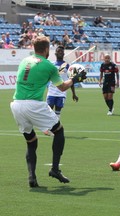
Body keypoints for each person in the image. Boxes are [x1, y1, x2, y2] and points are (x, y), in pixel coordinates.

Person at [10, 36, 87, 188]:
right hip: (34, 105)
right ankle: (55, 169)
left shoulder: (24, 61)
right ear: (46, 50)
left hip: (16, 104)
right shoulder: (48, 65)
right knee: (59, 131)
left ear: (34, 48)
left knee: (31, 141)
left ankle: (32, 177)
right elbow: (62, 87)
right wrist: (74, 79)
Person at [46, 45, 78, 118]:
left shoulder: (67, 65)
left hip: (61, 93)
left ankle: (55, 128)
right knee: (48, 113)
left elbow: (71, 80)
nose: (60, 52)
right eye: (58, 51)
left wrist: (74, 94)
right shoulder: (51, 65)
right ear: (55, 53)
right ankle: (49, 128)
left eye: (62, 51)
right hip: (51, 92)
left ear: (64, 54)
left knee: (57, 114)